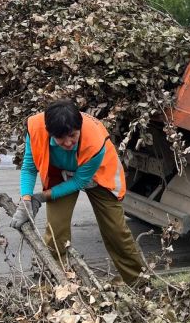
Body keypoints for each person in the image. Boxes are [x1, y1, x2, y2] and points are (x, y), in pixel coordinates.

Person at [10, 99, 144, 286]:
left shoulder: (94, 141)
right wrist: (26, 199)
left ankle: (139, 283)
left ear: (79, 127)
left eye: (72, 135)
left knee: (116, 231)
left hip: (98, 175)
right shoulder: (36, 129)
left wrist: (41, 197)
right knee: (56, 233)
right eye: (60, 138)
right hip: (61, 173)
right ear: (50, 133)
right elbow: (29, 167)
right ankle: (57, 284)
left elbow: (80, 181)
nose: (68, 143)